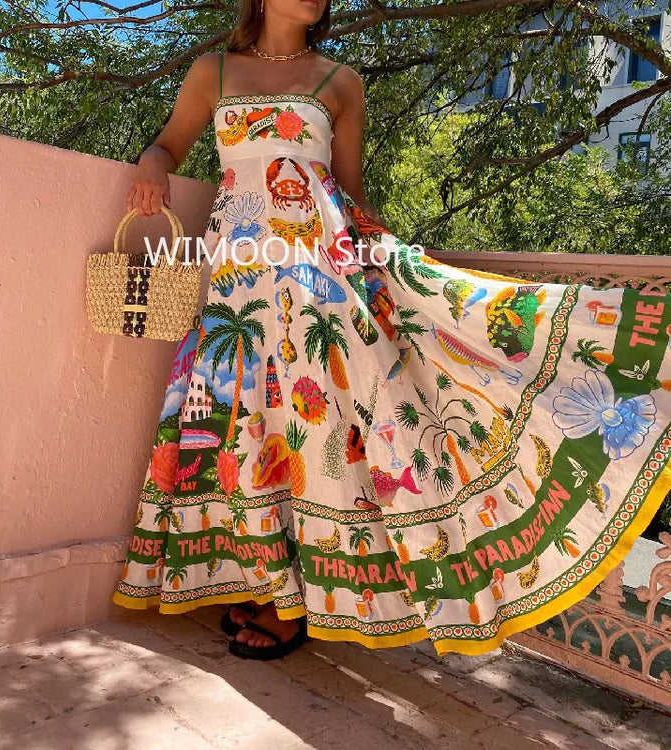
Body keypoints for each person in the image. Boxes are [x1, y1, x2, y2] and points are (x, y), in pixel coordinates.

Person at [113, 0, 671, 661]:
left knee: (317, 430)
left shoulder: (341, 82)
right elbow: (170, 144)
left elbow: (348, 194)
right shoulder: (213, 72)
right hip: (238, 281)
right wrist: (152, 164)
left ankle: (301, 603)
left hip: (322, 283)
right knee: (253, 425)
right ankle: (268, 583)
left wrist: (397, 272)